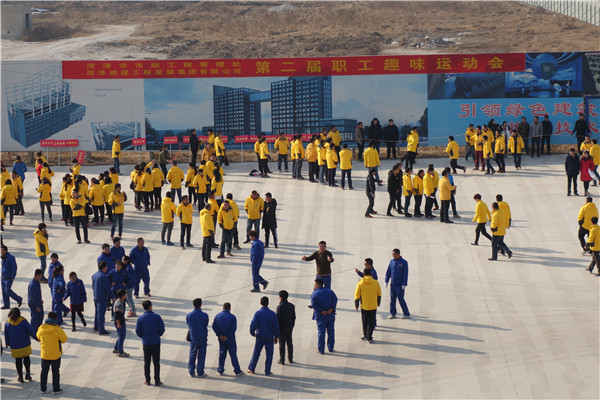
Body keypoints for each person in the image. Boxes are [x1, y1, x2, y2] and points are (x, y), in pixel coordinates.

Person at [247, 296, 279, 376]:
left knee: (256, 353)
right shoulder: (272, 314)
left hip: (260, 336)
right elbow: (276, 327)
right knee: (269, 355)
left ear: (260, 303)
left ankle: (251, 368)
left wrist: (252, 333)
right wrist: (276, 336)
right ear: (268, 303)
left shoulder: (257, 313)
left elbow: (253, 325)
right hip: (269, 337)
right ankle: (267, 371)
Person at [37, 311, 67, 394]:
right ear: (55, 319)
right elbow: (64, 339)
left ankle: (43, 389)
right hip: (55, 355)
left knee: (44, 372)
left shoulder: (41, 328)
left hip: (45, 354)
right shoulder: (57, 329)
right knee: (55, 372)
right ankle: (56, 389)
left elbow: (37, 337)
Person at [136, 300, 165, 386]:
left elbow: (137, 331)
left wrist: (143, 336)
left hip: (146, 342)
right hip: (156, 342)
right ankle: (157, 380)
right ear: (150, 307)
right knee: (156, 363)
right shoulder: (157, 317)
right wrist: (158, 335)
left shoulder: (140, 319)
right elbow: (162, 329)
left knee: (147, 362)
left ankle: (147, 380)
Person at [5, 307, 37, 383]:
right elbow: (31, 331)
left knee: (18, 361)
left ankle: (20, 377)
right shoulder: (23, 322)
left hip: (15, 346)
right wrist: (37, 338)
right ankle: (28, 374)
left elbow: (6, 335)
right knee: (26, 359)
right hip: (25, 344)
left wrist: (8, 343)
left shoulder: (8, 323)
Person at [212, 302, 243, 376]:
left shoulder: (217, 316)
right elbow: (233, 328)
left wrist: (220, 335)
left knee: (222, 354)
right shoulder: (233, 317)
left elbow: (214, 326)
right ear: (230, 308)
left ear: (223, 308)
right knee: (233, 355)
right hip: (230, 339)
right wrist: (227, 336)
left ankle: (220, 370)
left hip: (221, 339)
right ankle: (237, 371)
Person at [354, 268, 381, 343]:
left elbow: (357, 294)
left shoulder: (360, 283)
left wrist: (356, 304)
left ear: (364, 274)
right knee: (371, 322)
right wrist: (378, 302)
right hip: (373, 305)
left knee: (364, 321)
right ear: (371, 274)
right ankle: (369, 337)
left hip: (364, 306)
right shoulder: (376, 283)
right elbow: (379, 293)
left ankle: (365, 335)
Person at [310, 279, 337, 354]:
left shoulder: (315, 294)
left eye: (314, 285)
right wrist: (331, 309)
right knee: (331, 332)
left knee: (321, 333)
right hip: (330, 315)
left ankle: (321, 350)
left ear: (317, 285)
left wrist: (321, 311)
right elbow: (335, 299)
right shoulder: (330, 291)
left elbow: (314, 304)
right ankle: (331, 348)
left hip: (321, 316)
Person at [186, 297, 209, 377]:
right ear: (200, 305)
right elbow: (206, 324)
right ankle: (200, 372)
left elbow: (188, 324)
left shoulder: (189, 315)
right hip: (202, 337)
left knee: (192, 354)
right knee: (201, 355)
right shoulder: (205, 315)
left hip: (193, 337)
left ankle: (191, 371)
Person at [385, 249, 410, 319]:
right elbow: (388, 272)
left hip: (400, 285)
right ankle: (393, 313)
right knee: (392, 299)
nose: (393, 255)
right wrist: (386, 281)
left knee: (401, 299)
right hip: (393, 284)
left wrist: (404, 284)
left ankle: (406, 314)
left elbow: (405, 274)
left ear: (398, 254)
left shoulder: (404, 262)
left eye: (394, 254)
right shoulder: (392, 262)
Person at [92, 261, 112, 335]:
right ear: (104, 268)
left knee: (97, 313)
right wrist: (112, 297)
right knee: (101, 314)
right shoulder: (104, 277)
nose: (107, 268)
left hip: (96, 296)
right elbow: (107, 288)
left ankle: (96, 326)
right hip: (102, 297)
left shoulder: (94, 275)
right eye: (106, 267)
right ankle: (101, 330)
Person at [276, 290, 295, 365]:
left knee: (282, 344)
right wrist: (292, 325)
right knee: (289, 343)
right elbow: (294, 317)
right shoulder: (291, 306)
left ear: (280, 297)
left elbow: (277, 319)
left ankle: (282, 359)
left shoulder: (279, 307)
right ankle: (290, 358)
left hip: (281, 328)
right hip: (289, 327)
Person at [1, 245, 22, 310]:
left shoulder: (10, 257)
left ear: (6, 250)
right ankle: (6, 304)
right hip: (3, 277)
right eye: (1, 250)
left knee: (7, 290)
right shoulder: (3, 257)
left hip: (8, 278)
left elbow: (14, 268)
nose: (1, 252)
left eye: (2, 250)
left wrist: (12, 276)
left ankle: (19, 299)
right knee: (4, 292)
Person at [112, 289, 129, 357]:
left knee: (120, 336)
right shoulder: (119, 304)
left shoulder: (118, 301)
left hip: (119, 321)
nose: (126, 296)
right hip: (120, 322)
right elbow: (117, 316)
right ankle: (120, 352)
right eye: (125, 294)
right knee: (122, 337)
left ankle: (116, 348)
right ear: (123, 296)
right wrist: (118, 324)